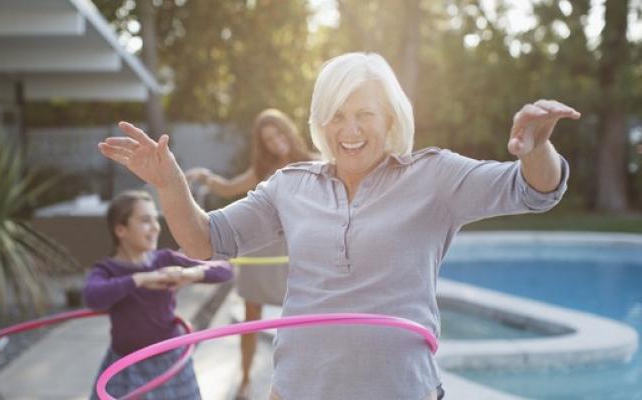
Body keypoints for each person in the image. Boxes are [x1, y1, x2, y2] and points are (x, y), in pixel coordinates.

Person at [98, 52, 579, 400]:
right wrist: (170, 183)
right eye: (337, 116)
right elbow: (204, 240)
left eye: (364, 115)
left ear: (390, 118)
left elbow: (532, 191)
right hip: (299, 391)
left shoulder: (435, 176)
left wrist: (537, 149)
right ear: (320, 123)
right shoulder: (290, 186)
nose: (349, 131)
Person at [184, 108, 315, 399]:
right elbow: (230, 187)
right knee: (251, 318)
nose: (274, 142)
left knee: (302, 319)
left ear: (288, 130)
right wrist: (203, 178)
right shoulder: (262, 170)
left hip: (295, 252)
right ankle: (244, 380)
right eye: (267, 139)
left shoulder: (314, 162)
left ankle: (301, 385)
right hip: (262, 250)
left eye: (278, 134)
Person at [83, 190, 233, 400]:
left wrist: (189, 274)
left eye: (155, 219)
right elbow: (93, 297)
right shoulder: (107, 270)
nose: (155, 227)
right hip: (127, 363)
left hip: (170, 358)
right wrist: (141, 279)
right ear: (121, 229)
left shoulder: (165, 259)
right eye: (145, 220)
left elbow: (224, 269)